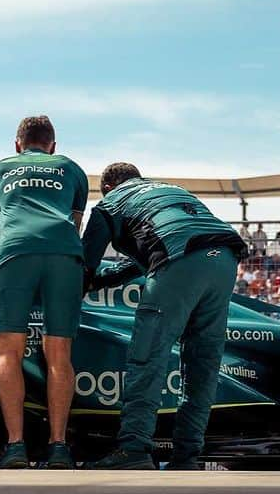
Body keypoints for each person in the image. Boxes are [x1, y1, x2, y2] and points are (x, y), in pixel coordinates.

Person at [81, 162, 247, 470]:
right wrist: (105, 279)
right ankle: (187, 457)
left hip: (180, 261)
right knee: (203, 365)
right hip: (224, 258)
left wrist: (84, 284)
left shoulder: (109, 203)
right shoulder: (171, 190)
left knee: (148, 358)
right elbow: (148, 256)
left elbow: (85, 263)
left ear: (106, 187)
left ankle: (134, 450)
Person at [0, 115, 89, 469]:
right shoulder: (71, 169)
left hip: (14, 253)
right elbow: (74, 226)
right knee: (59, 351)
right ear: (53, 146)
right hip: (64, 255)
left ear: (17, 145)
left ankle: (16, 446)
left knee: (9, 352)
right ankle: (59, 446)